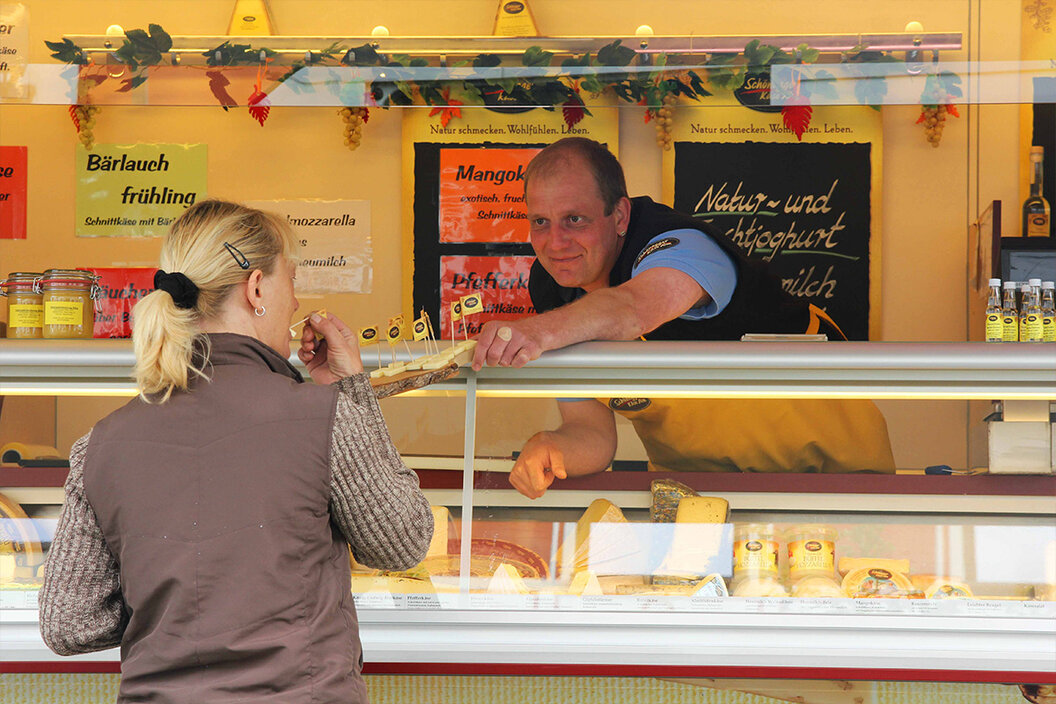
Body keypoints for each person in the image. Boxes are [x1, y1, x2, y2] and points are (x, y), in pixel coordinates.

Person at [39, 199, 433, 703]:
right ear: (256, 289)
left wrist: (176, 599)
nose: (295, 302)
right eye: (290, 281)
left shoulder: (98, 445)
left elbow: (69, 622)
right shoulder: (326, 415)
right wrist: (351, 390)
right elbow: (402, 544)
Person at [471, 137, 895, 499]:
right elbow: (593, 436)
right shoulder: (553, 293)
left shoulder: (680, 246)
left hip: (833, 479)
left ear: (619, 216)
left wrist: (539, 332)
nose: (555, 242)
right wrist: (551, 448)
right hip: (693, 493)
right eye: (540, 222)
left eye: (574, 219)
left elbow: (634, 310)